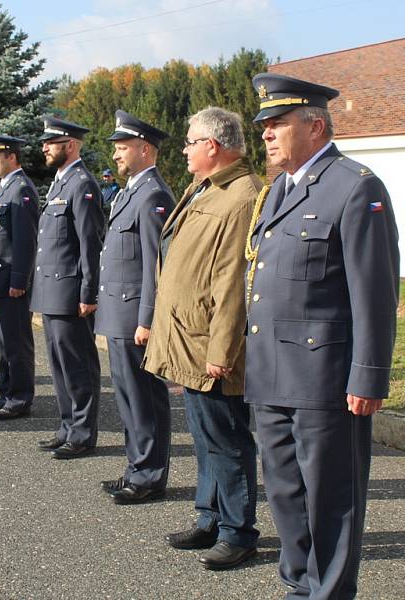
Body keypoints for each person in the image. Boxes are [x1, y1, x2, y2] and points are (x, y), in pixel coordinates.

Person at [246, 73, 399, 599]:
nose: (266, 133)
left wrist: (370, 375)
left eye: (277, 123)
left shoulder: (355, 186)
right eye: (264, 124)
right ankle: (298, 586)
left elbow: (375, 291)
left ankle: (329, 593)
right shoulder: (278, 192)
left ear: (314, 125)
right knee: (285, 495)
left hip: (324, 379)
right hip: (271, 374)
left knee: (329, 499)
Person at [143, 106, 261, 570]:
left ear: (213, 145)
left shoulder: (241, 196)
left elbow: (234, 280)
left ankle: (238, 531)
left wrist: (222, 350)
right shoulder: (206, 188)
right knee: (205, 435)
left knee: (227, 439)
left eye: (191, 141)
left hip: (211, 344)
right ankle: (210, 517)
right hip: (188, 336)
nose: (186, 149)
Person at [95, 110, 175, 504]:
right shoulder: (129, 192)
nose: (116, 156)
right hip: (117, 312)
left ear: (145, 149)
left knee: (144, 397)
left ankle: (148, 476)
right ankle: (135, 467)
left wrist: (148, 319)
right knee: (126, 397)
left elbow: (155, 266)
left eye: (123, 148)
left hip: (134, 316)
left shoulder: (154, 195)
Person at [31, 116, 104, 459]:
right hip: (51, 290)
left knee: (78, 365)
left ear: (70, 145)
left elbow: (89, 244)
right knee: (59, 364)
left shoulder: (82, 184)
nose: (44, 147)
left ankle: (83, 432)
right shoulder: (60, 183)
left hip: (71, 292)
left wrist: (89, 292)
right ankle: (66, 426)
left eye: (51, 142)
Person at [0, 134, 39, 420]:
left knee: (16, 343)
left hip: (10, 281)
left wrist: (19, 280)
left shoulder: (20, 189)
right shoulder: (5, 188)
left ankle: (19, 398)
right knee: (4, 342)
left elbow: (25, 241)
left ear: (11, 157)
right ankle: (6, 393)